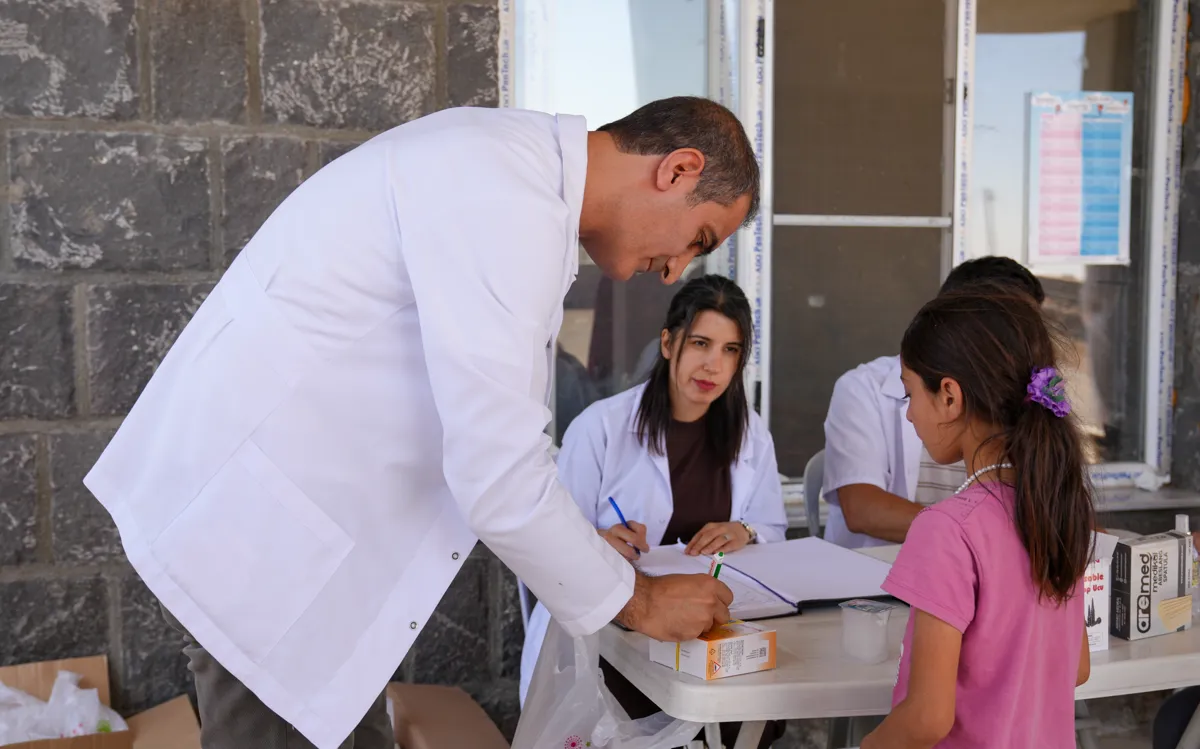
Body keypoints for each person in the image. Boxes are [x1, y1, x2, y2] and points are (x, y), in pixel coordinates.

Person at [80, 97, 759, 749]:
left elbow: (491, 434)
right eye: (698, 239)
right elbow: (499, 476)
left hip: (297, 546)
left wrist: (592, 560)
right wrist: (639, 601)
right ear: (678, 170)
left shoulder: (510, 175)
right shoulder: (504, 195)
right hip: (263, 552)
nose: (676, 270)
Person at [519, 274, 788, 748]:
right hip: (618, 636)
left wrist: (745, 530)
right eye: (700, 343)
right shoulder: (601, 428)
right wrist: (597, 541)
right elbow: (550, 542)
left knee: (750, 719)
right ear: (668, 343)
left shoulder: (749, 432)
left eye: (730, 350)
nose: (713, 365)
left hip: (710, 633)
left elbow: (772, 528)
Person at [861, 284, 1094, 749]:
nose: (909, 416)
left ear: (949, 396)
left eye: (910, 394)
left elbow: (927, 718)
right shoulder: (1055, 506)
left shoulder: (947, 529)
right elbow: (1077, 668)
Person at [821, 256, 1046, 548]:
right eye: (1008, 332)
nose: (1023, 347)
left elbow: (1056, 509)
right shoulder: (863, 387)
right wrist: (985, 532)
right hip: (884, 567)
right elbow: (863, 509)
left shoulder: (1035, 393)